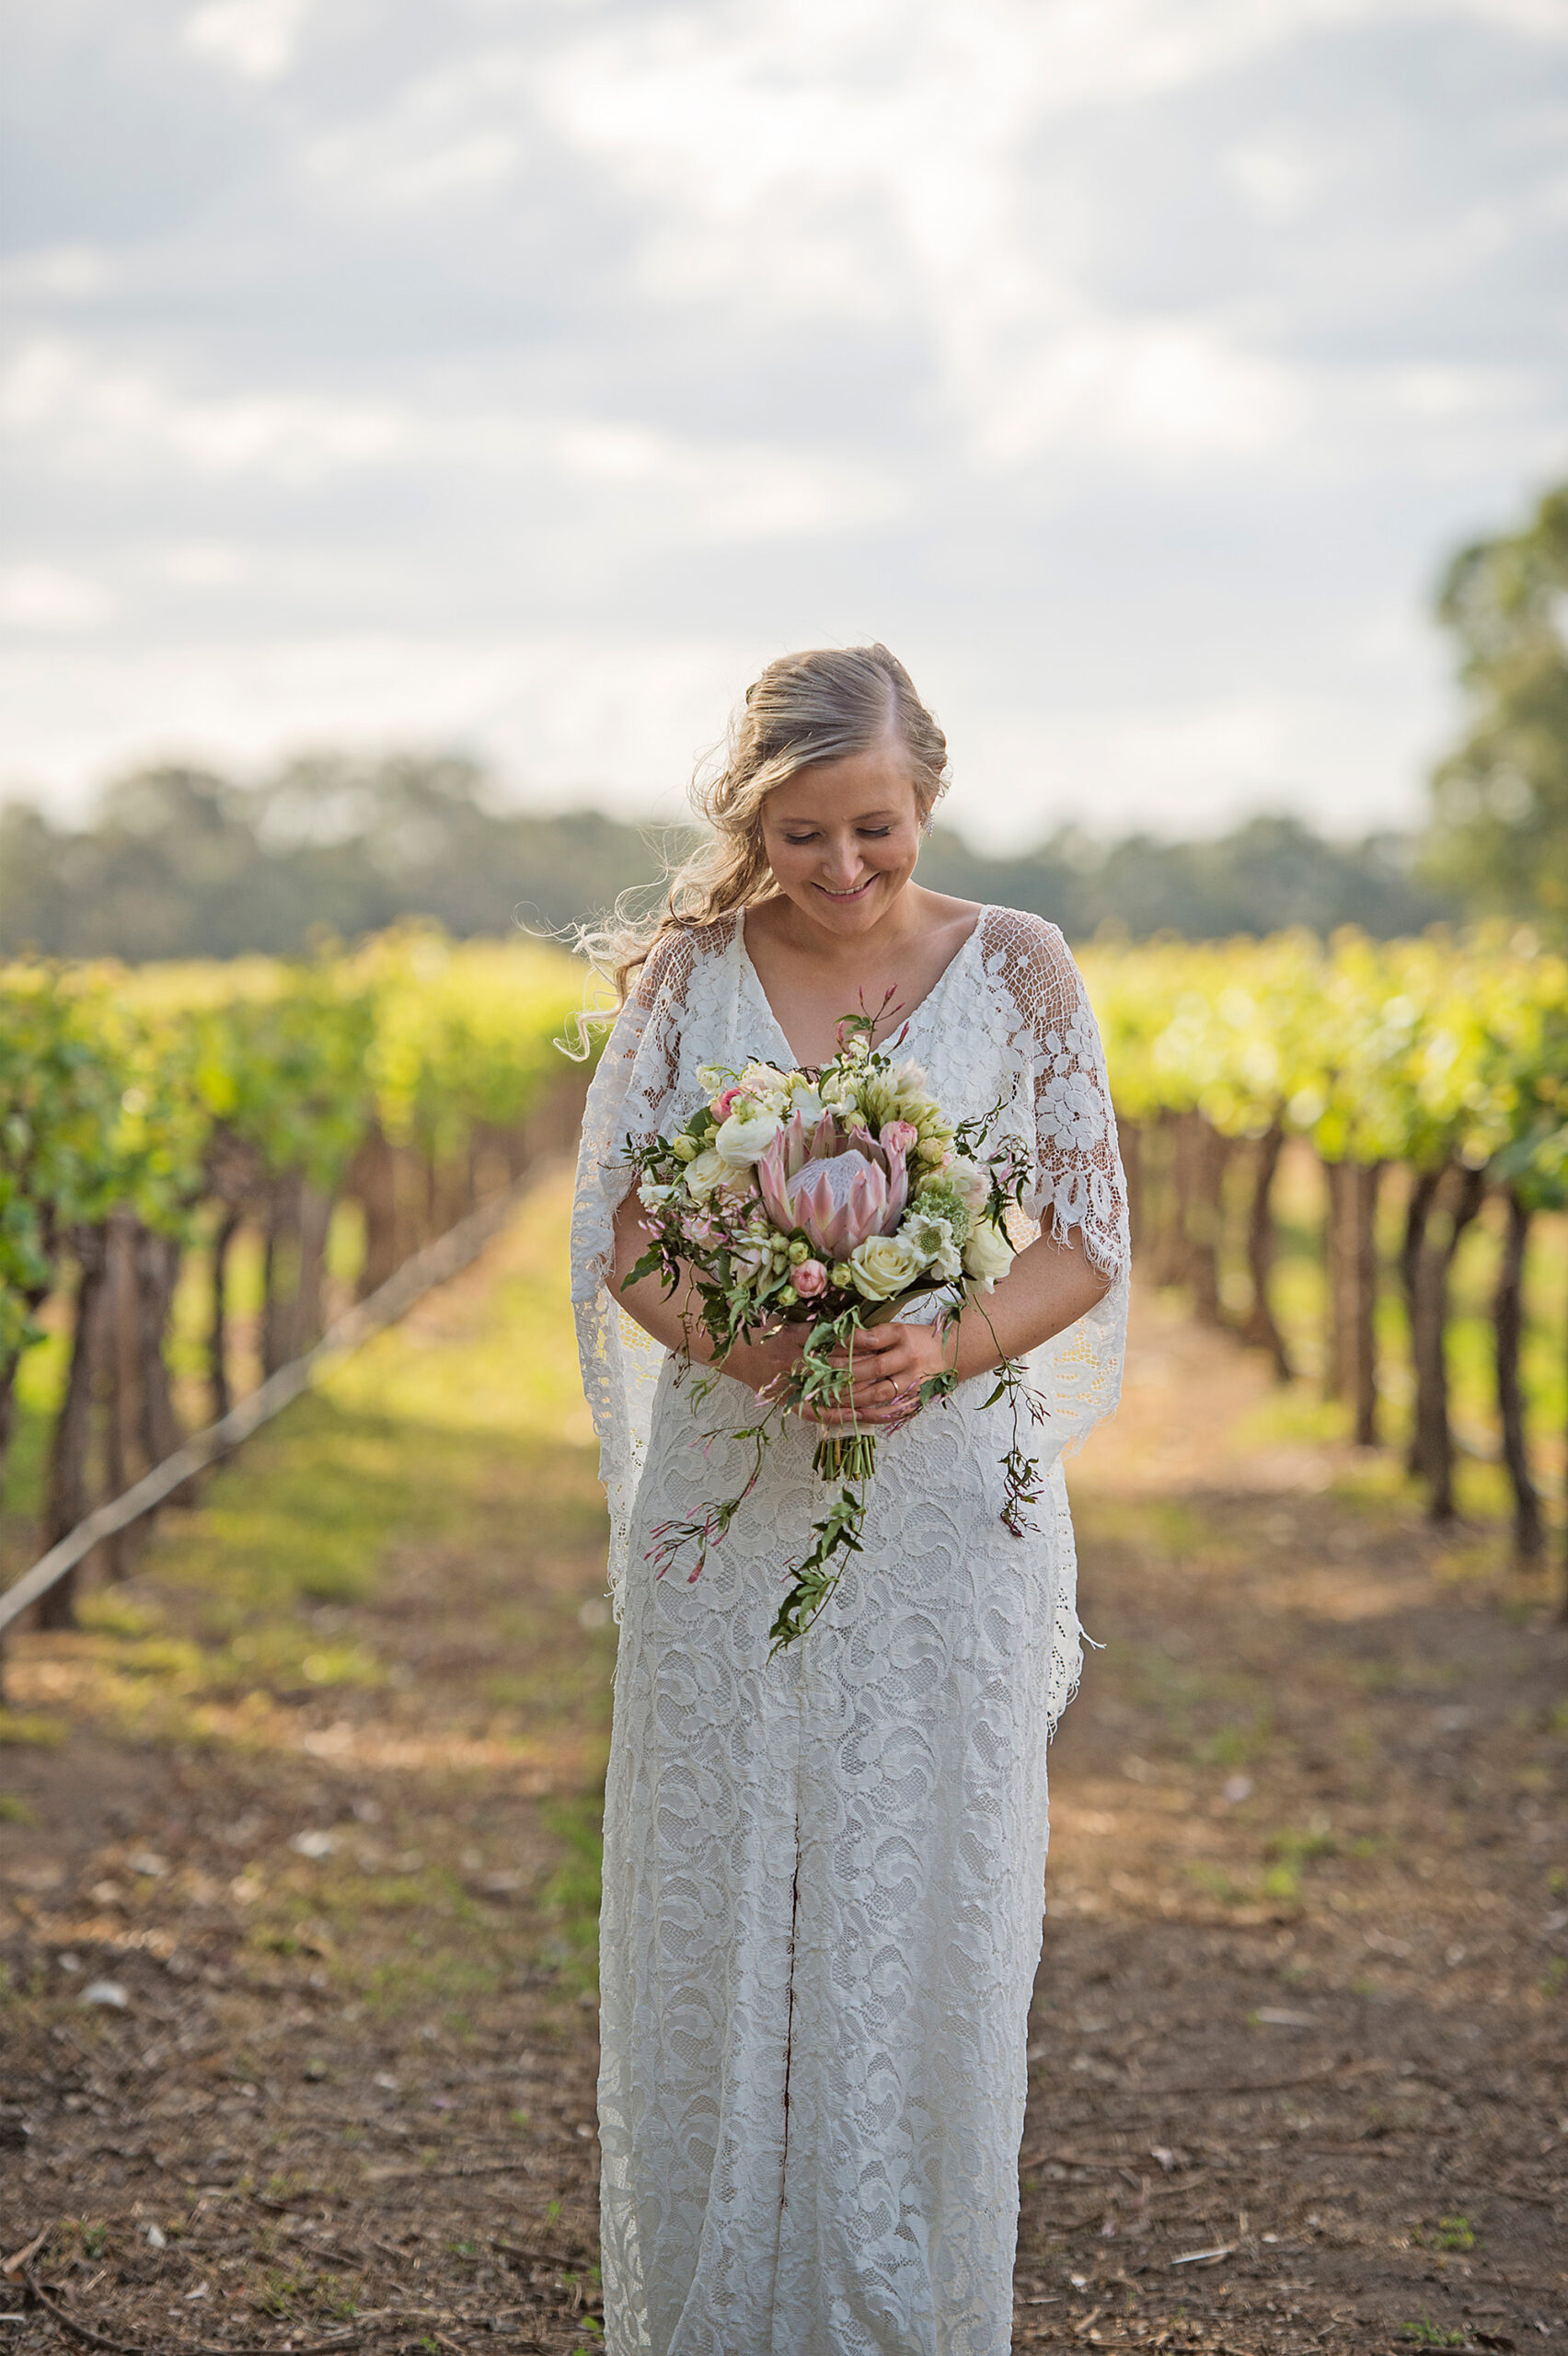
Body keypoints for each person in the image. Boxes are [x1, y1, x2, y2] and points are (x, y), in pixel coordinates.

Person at [571, 644, 1130, 2356]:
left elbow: (1083, 1241)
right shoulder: (686, 982)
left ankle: (902, 2311)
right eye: (800, 835)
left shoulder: (1020, 972)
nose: (838, 871)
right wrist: (764, 1359)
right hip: (733, 1500)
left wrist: (938, 1348)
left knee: (923, 1897)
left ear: (927, 797)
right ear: (753, 819)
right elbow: (633, 1238)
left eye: (870, 829)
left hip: (950, 1507)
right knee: (722, 1886)